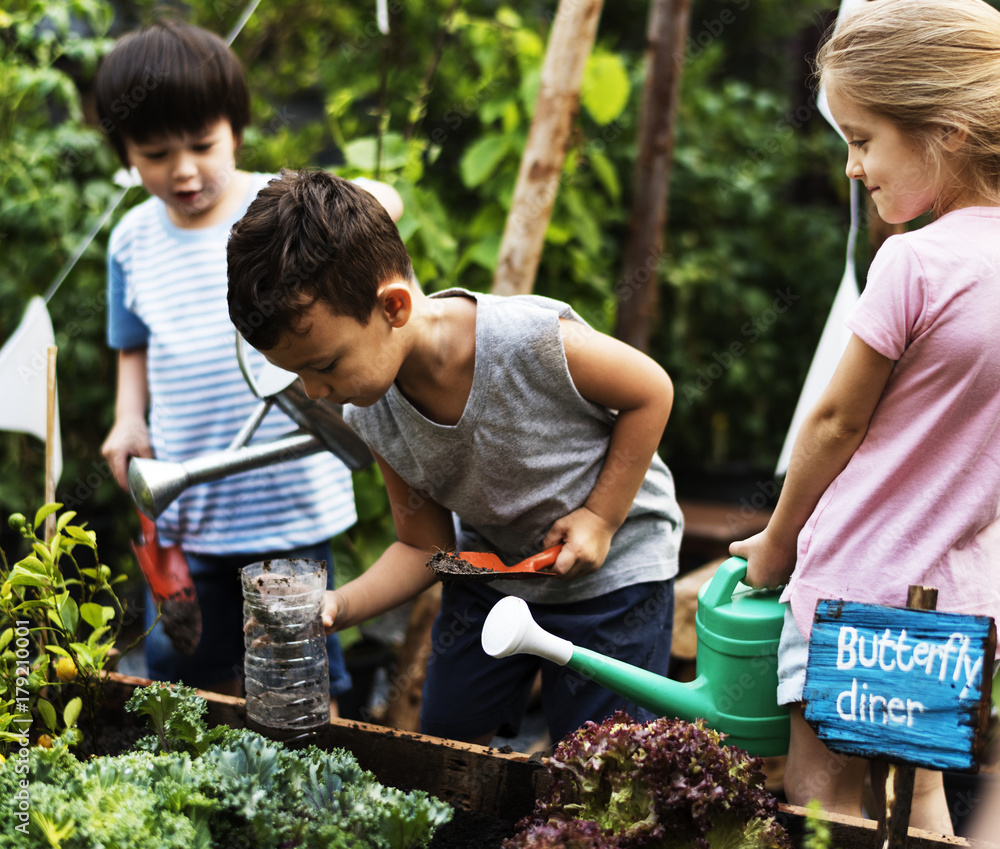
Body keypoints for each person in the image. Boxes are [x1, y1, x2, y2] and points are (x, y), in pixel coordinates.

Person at [226, 168, 684, 746]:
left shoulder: (528, 341)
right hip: (494, 573)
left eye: (324, 365)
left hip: (614, 579)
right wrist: (336, 605)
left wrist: (601, 516)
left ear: (393, 307)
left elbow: (651, 390)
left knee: (602, 756)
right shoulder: (371, 409)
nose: (315, 391)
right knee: (448, 738)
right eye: (297, 373)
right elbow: (426, 546)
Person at [730, 0, 1000, 834]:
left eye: (861, 138)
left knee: (820, 802)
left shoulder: (913, 261)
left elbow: (834, 423)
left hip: (856, 582)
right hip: (955, 598)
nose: (852, 167)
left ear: (945, 132)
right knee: (919, 807)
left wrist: (776, 543)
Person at [95, 20, 403, 713]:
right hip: (189, 501)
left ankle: (305, 803)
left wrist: (359, 212)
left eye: (202, 145)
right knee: (188, 675)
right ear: (123, 152)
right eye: (155, 152)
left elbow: (386, 198)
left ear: (235, 128)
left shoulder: (279, 211)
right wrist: (126, 417)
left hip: (286, 500)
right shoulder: (130, 240)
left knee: (296, 677)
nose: (183, 170)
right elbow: (131, 341)